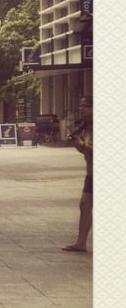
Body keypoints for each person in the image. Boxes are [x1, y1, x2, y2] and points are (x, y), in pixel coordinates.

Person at [62, 96, 93, 253]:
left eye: (85, 106)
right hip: (92, 173)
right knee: (84, 205)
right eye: (80, 106)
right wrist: (79, 146)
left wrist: (84, 146)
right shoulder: (86, 127)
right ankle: (81, 243)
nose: (81, 109)